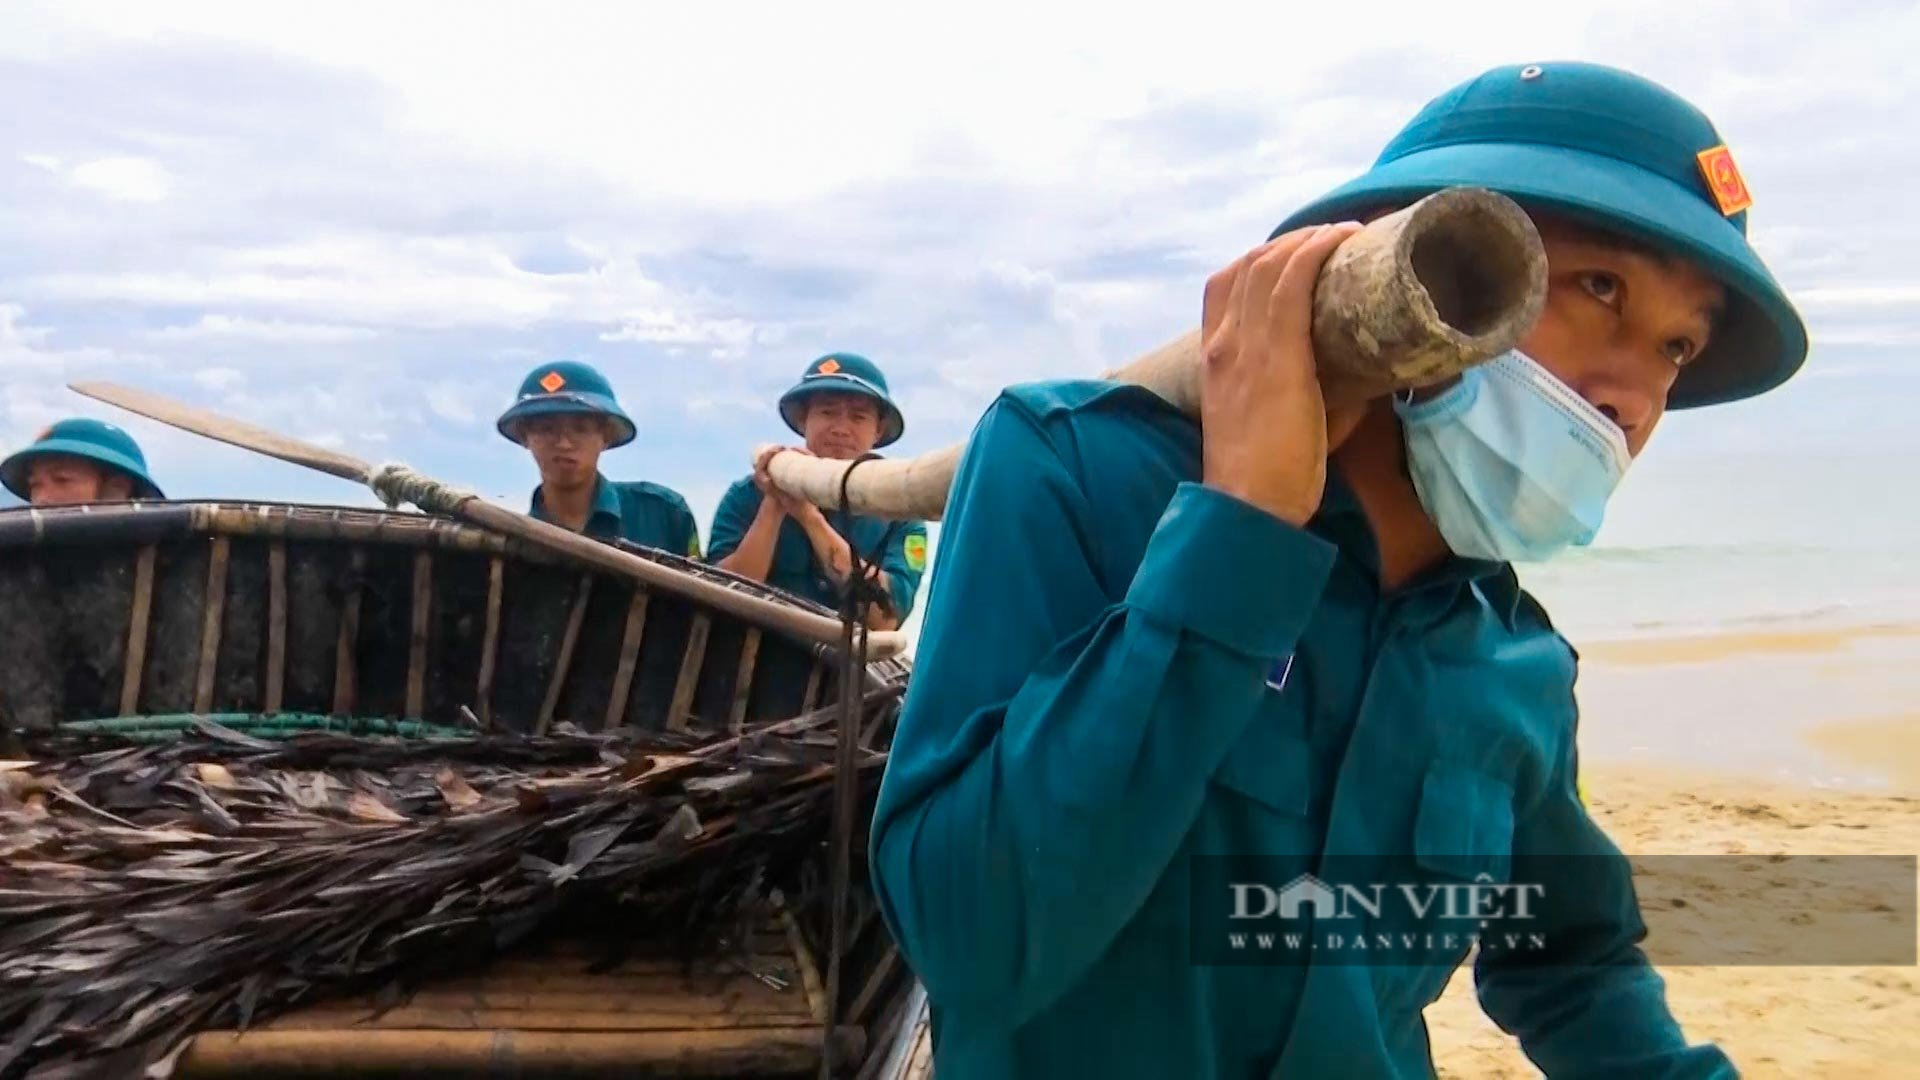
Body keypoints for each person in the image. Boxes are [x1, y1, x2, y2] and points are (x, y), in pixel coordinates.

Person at [869, 61, 1805, 1079]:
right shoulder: (1075, 473)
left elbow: (1573, 961)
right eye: (1598, 289)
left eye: (1676, 346)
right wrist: (1242, 530)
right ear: (1416, 262)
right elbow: (969, 943)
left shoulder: (1517, 659)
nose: (1635, 396)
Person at [708, 352, 930, 632]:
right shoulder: (746, 496)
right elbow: (718, 599)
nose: (841, 428)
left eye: (858, 417)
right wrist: (774, 504)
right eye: (827, 412)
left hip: (839, 672)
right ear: (803, 420)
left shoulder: (900, 513)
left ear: (878, 430)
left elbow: (885, 619)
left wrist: (809, 517)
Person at [496, 360, 701, 556]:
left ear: (606, 436)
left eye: (581, 429)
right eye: (547, 429)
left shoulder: (663, 514)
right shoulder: (509, 542)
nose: (564, 443)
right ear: (525, 436)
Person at [0, 418, 165, 507]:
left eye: (62, 480)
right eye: (35, 485)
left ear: (117, 488)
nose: (42, 498)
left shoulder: (168, 561)